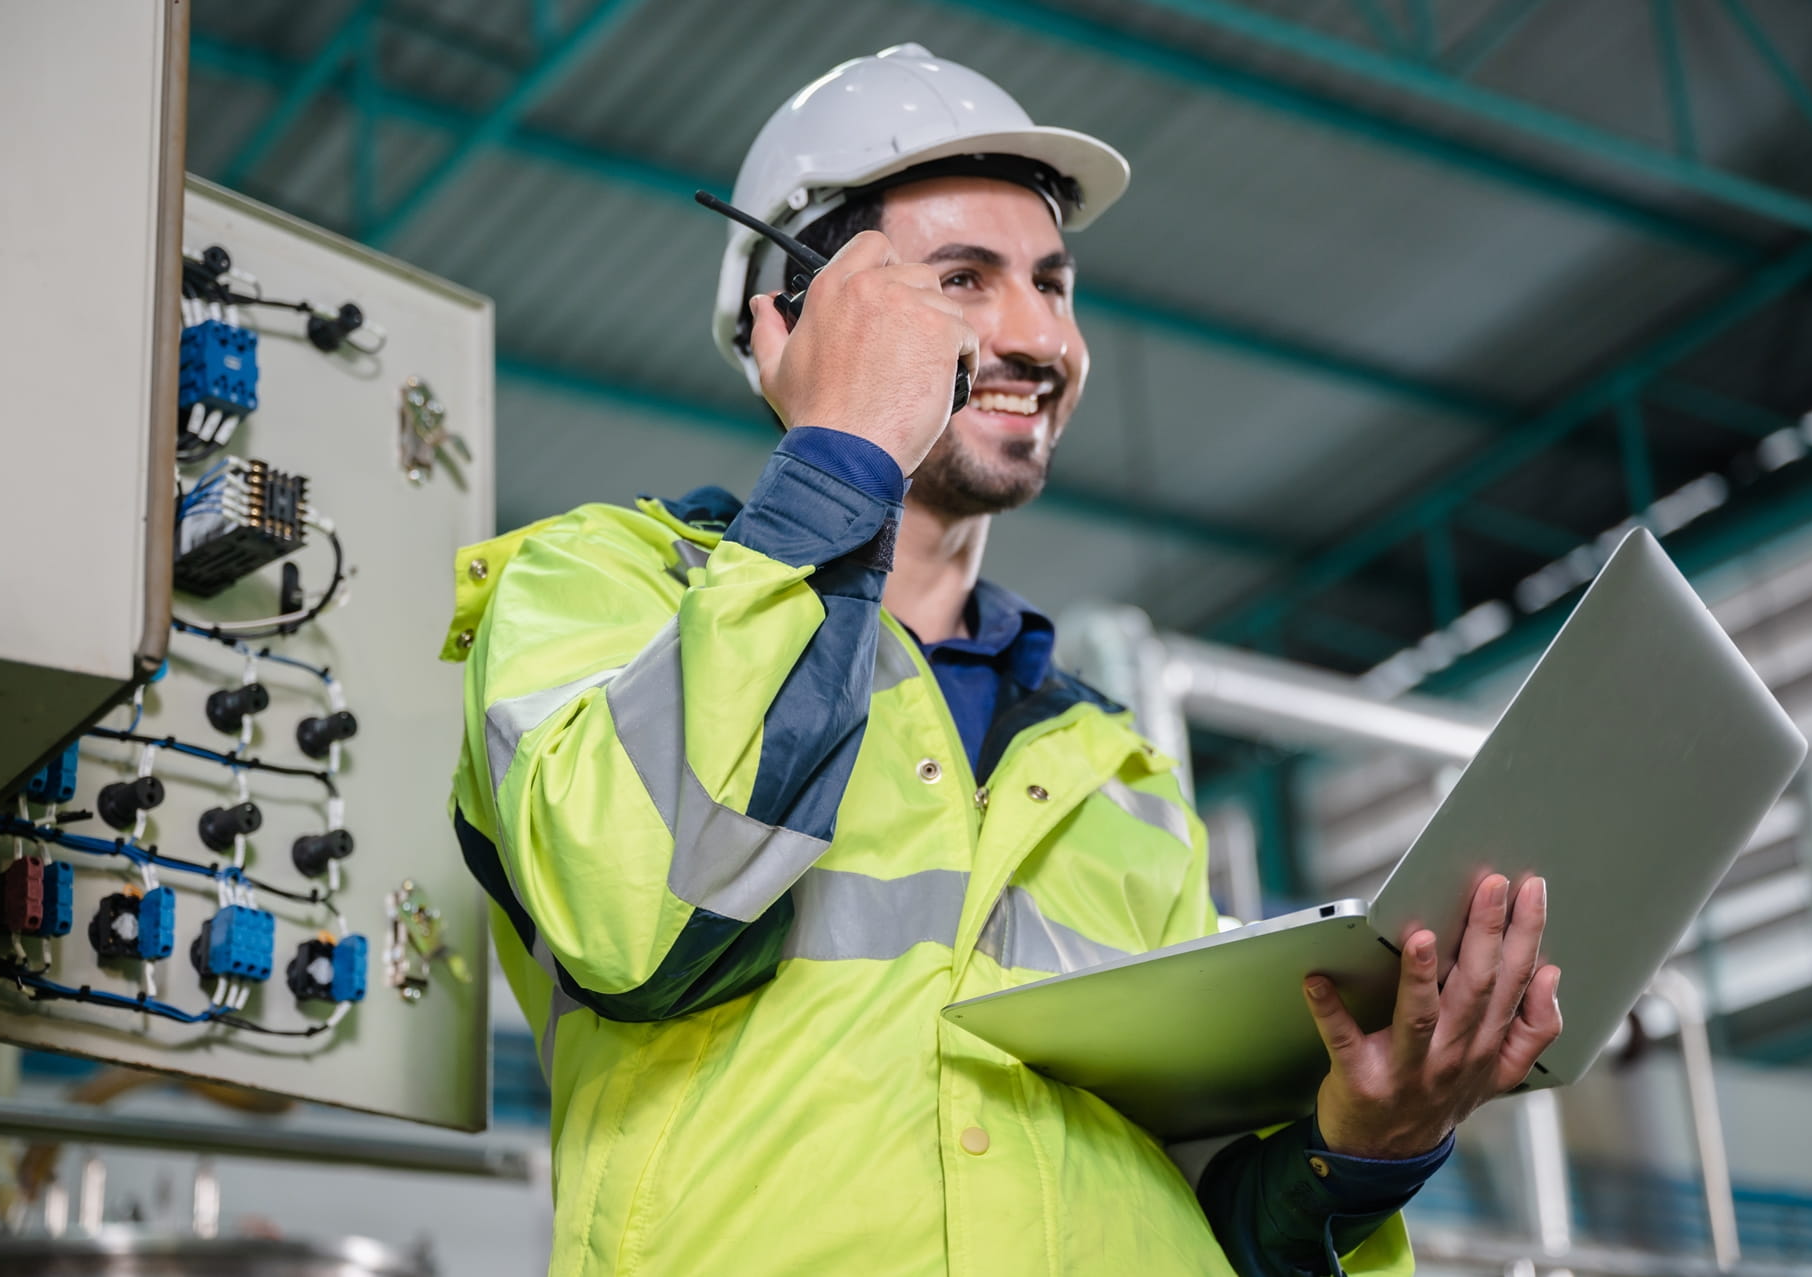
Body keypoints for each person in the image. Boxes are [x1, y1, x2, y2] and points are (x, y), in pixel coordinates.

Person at [443, 43, 1561, 1277]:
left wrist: (1358, 1148)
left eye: (1054, 283)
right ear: (782, 317)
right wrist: (842, 447)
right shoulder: (597, 589)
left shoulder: (1116, 767)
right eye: (963, 280)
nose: (1038, 336)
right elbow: (636, 912)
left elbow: (1204, 1194)